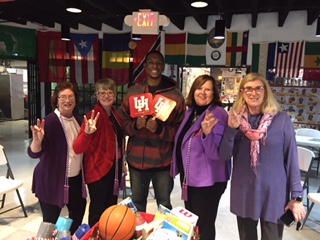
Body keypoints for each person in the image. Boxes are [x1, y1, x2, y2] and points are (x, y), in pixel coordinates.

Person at [219, 73, 306, 240]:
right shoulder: (236, 119)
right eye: (248, 89)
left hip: (274, 193)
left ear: (266, 92)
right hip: (244, 190)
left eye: (259, 88)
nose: (254, 93)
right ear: (242, 93)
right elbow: (224, 155)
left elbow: (292, 160)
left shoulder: (281, 120)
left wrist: (296, 196)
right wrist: (231, 129)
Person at [119, 50, 185, 212]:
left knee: (164, 205)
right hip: (137, 161)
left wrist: (160, 129)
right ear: (145, 66)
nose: (154, 66)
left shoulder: (175, 95)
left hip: (162, 161)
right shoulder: (134, 91)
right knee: (137, 205)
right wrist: (136, 125)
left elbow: (181, 131)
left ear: (163, 67)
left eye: (158, 63)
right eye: (150, 62)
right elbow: (122, 123)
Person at [171, 75, 231, 240]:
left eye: (208, 89)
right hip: (190, 178)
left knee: (204, 225)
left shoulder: (217, 114)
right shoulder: (191, 112)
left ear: (214, 93)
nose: (203, 93)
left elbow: (216, 154)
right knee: (193, 224)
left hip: (208, 182)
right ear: (193, 91)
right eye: (199, 88)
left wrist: (207, 133)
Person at [27, 82, 86, 234]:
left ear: (75, 99)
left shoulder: (79, 121)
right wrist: (37, 141)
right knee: (49, 224)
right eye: (63, 97)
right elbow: (34, 153)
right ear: (56, 100)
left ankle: (69, 237)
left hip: (75, 180)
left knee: (78, 213)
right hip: (52, 181)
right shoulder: (50, 121)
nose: (67, 100)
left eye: (70, 96)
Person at [73, 78, 126, 227]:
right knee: (98, 209)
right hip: (98, 170)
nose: (106, 96)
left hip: (113, 168)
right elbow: (78, 148)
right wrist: (87, 133)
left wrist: (122, 163)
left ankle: (108, 234)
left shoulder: (116, 114)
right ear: (97, 95)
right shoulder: (92, 116)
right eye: (102, 93)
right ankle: (95, 235)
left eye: (110, 92)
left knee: (110, 208)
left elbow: (118, 142)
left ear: (115, 96)